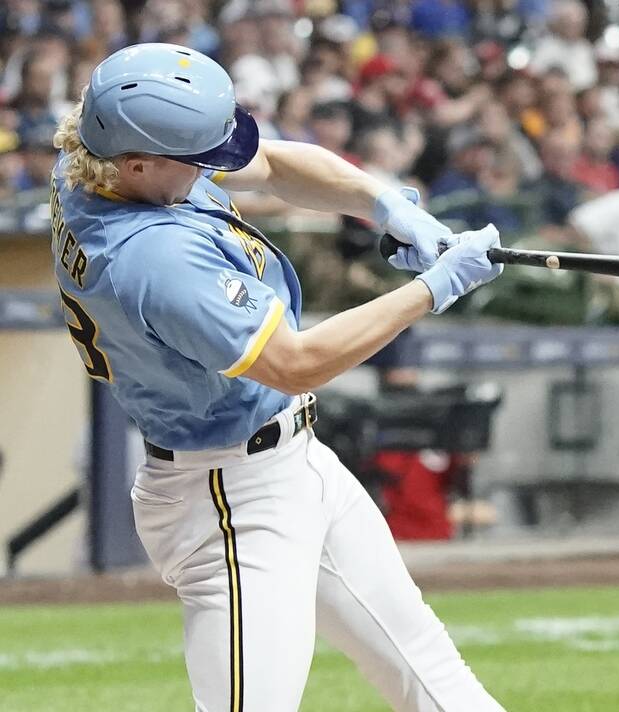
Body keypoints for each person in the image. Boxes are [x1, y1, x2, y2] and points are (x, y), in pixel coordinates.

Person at [51, 44, 504, 712]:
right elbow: (296, 364)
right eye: (197, 160)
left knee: (434, 682)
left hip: (294, 461)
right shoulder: (152, 257)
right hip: (228, 498)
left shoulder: (106, 162)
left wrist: (383, 204)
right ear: (138, 163)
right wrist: (435, 289)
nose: (214, 168)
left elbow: (272, 163)